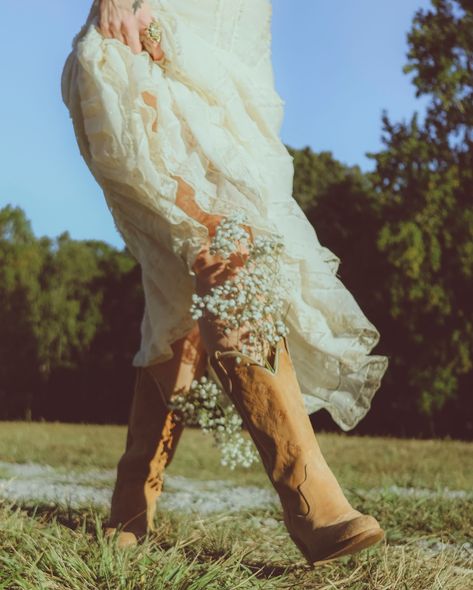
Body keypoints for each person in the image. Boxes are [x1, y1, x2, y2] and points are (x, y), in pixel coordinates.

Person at [61, 0, 389, 565]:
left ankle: (133, 494)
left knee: (178, 290)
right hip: (147, 29)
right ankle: (310, 495)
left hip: (234, 48)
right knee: (226, 249)